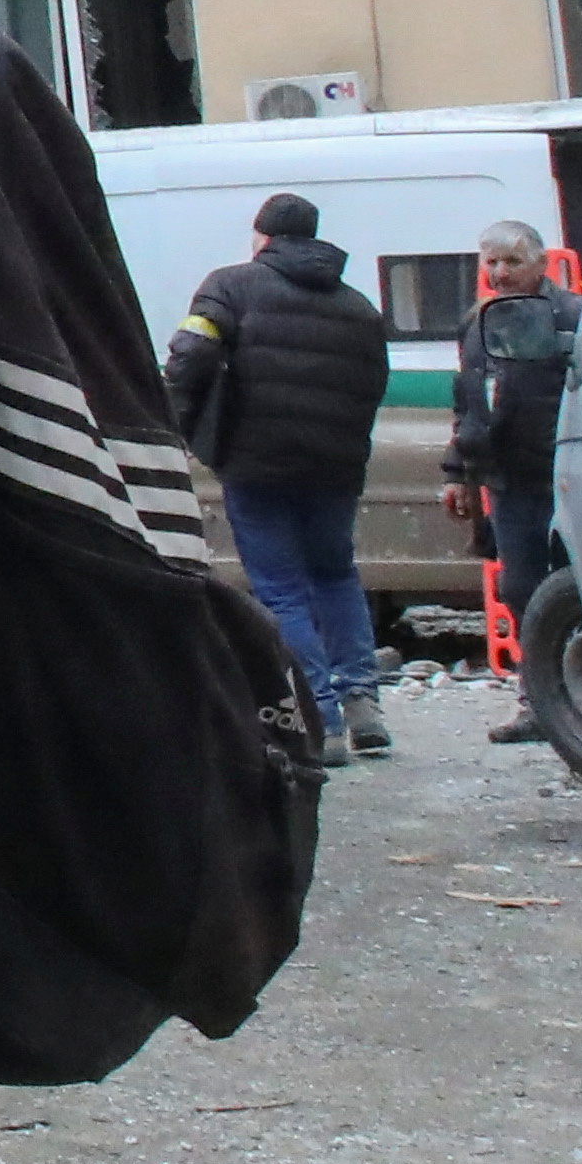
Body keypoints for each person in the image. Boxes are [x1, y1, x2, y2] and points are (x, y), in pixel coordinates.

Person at [169, 190, 396, 755]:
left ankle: (320, 720)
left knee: (282, 591)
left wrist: (177, 421)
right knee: (336, 575)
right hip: (335, 467)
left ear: (262, 237)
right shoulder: (358, 306)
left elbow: (193, 351)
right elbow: (373, 384)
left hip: (256, 461)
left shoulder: (229, 285)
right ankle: (361, 699)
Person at [443, 214, 579, 627]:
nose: (500, 273)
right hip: (509, 479)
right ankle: (534, 680)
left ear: (541, 266)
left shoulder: (574, 316)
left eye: (513, 262)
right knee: (521, 587)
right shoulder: (477, 321)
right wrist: (457, 473)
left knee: (570, 587)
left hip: (564, 474)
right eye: (492, 262)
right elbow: (467, 403)